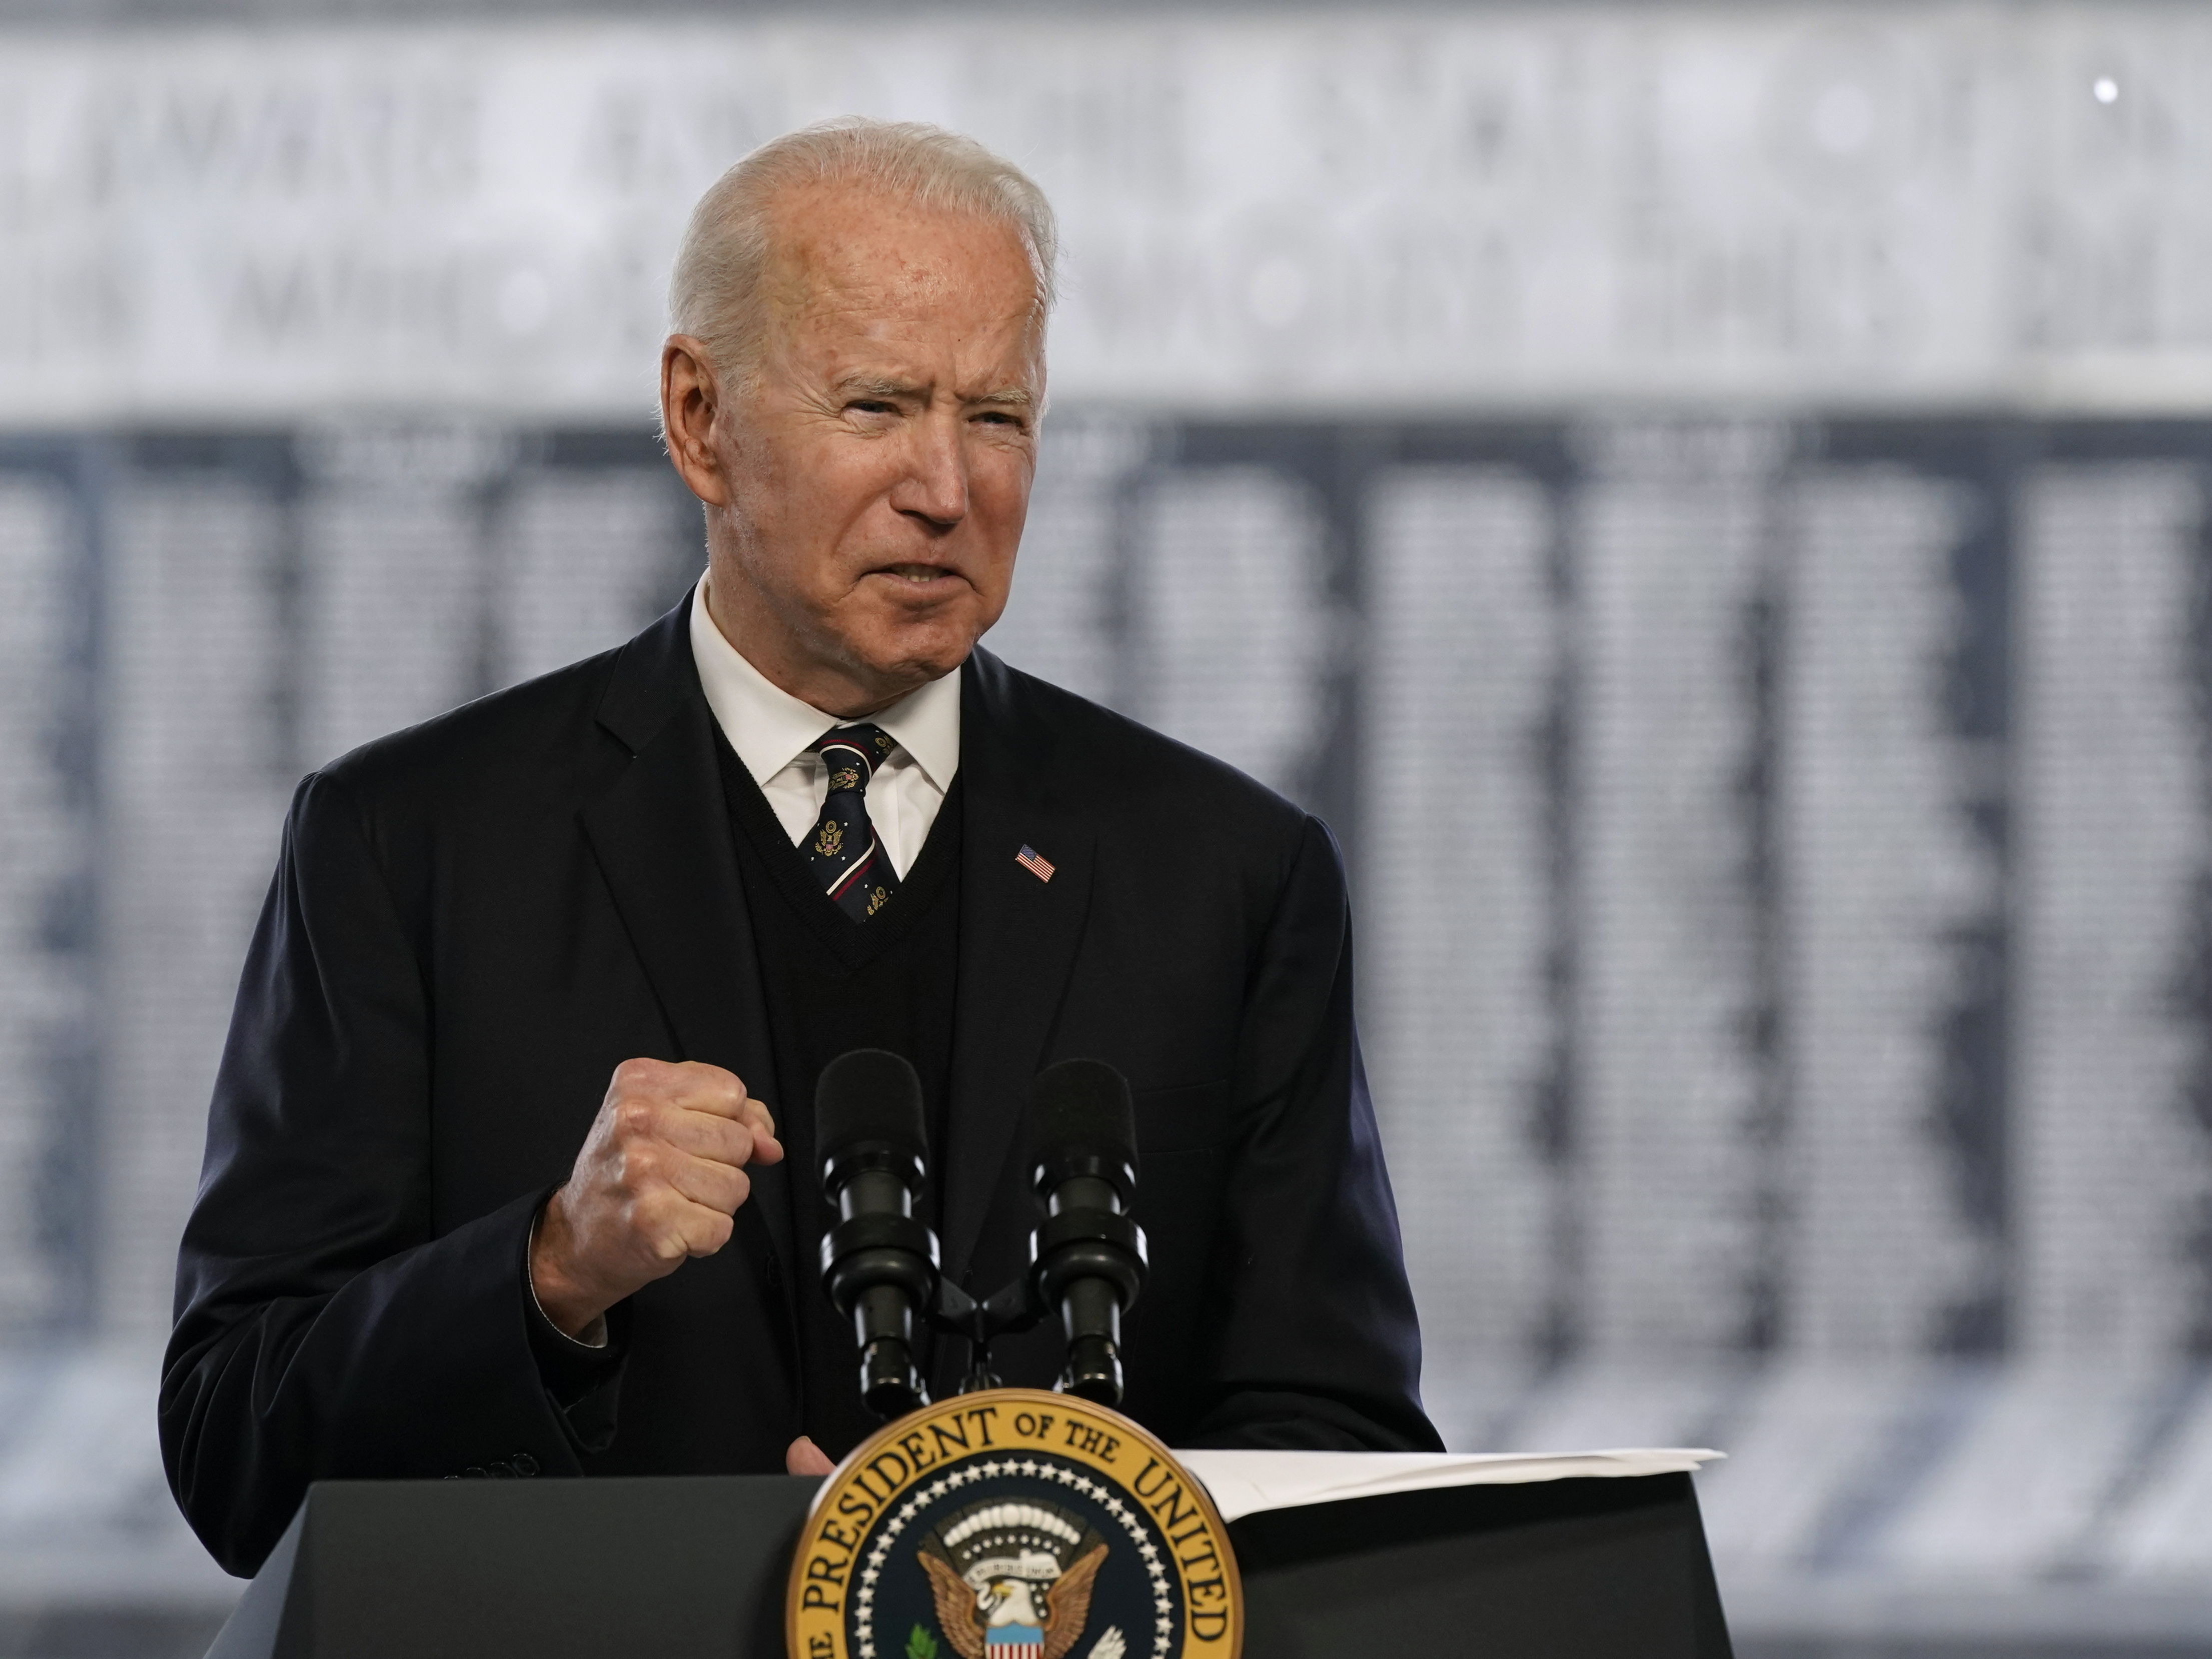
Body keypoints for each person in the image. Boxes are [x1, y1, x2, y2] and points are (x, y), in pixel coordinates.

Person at [161, 118, 1439, 1579]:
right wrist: (552, 1272)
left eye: (1001, 417)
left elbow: (1343, 1446)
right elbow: (233, 1451)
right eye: (879, 405)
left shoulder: (1228, 876)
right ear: (700, 420)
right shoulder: (409, 850)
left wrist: (1068, 1542)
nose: (949, 487)